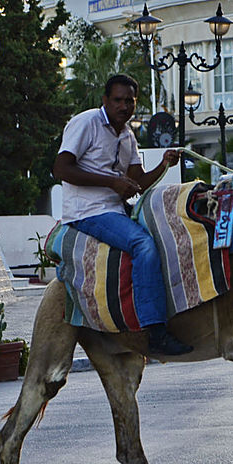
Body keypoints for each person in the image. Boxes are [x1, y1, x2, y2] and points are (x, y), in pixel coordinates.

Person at [53, 74, 192, 355]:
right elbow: (61, 169)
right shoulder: (86, 122)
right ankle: (154, 331)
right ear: (105, 100)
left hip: (116, 210)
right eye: (118, 100)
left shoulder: (128, 135)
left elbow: (136, 182)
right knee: (143, 245)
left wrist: (164, 164)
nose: (124, 106)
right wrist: (110, 182)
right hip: (88, 211)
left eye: (129, 101)